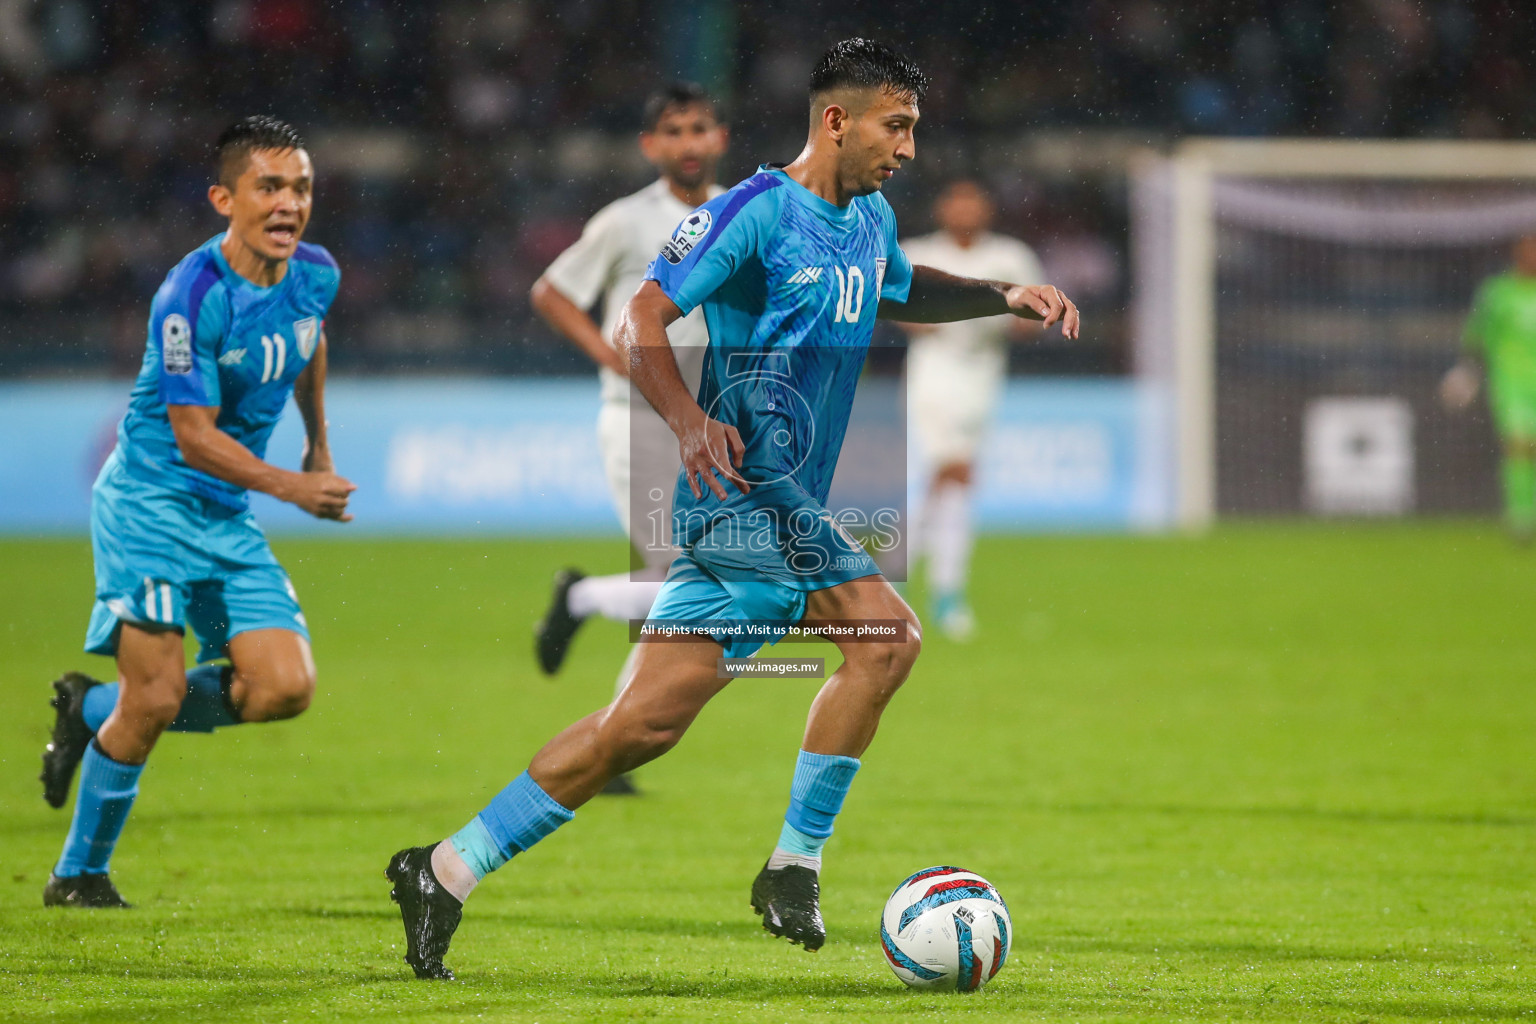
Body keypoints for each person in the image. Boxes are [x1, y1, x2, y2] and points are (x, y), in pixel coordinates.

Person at [385, 38, 1078, 980]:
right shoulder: (749, 212)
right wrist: (686, 420)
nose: (910, 147)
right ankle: (792, 865)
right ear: (836, 119)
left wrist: (1004, 295)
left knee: (635, 732)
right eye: (897, 125)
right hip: (750, 496)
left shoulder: (871, 219)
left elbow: (905, 293)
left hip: (756, 514)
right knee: (887, 640)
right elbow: (641, 316)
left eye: (915, 126)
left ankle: (444, 868)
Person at [38, 116, 352, 908]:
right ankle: (79, 875)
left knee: (285, 688)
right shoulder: (190, 297)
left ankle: (91, 707)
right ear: (225, 198)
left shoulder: (316, 273)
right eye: (269, 187)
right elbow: (194, 437)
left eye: (301, 187)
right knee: (157, 699)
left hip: (223, 513)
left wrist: (318, 445)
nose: (289, 204)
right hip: (150, 503)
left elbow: (310, 344)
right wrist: (292, 485)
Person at [528, 84, 728, 795]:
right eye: (673, 131)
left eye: (699, 128)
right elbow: (551, 290)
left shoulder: (740, 212)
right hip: (636, 415)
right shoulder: (625, 221)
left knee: (690, 581)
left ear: (720, 137)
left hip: (707, 421)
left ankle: (611, 731)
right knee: (679, 580)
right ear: (651, 146)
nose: (688, 142)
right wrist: (607, 351)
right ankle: (584, 614)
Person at [898, 180, 1044, 640]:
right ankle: (944, 594)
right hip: (933, 373)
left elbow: (1036, 316)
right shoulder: (916, 250)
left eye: (972, 202)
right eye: (955, 201)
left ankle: (893, 581)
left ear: (987, 209)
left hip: (981, 376)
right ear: (942, 208)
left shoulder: (1011, 256)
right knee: (950, 472)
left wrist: (1022, 324)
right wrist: (920, 321)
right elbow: (886, 299)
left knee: (946, 483)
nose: (964, 210)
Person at [1442, 233, 1536, 541]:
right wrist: (1466, 372)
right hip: (1512, 384)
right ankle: (1522, 517)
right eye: (1528, 250)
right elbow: (1477, 337)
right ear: (1517, 253)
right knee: (1520, 445)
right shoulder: (1497, 293)